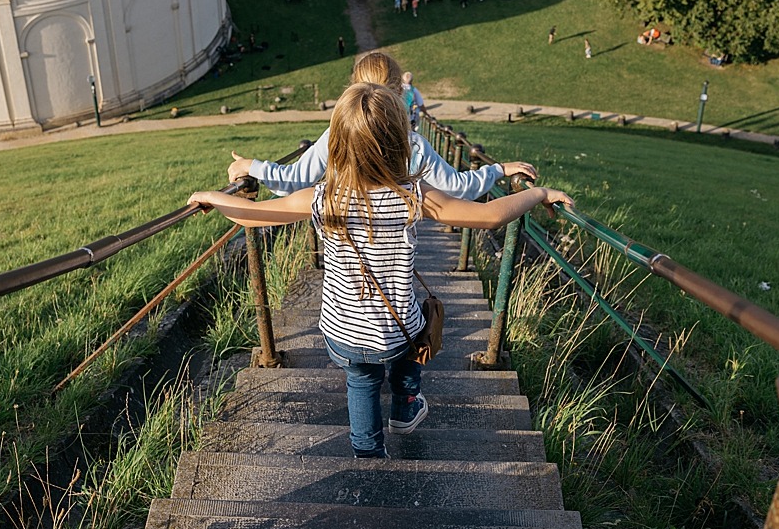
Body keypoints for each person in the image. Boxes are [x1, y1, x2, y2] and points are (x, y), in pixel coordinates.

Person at [190, 83, 574, 458]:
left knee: (361, 383)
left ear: (336, 144)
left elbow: (252, 218)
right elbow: (490, 217)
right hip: (396, 329)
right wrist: (538, 193)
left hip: (343, 330)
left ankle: (368, 453)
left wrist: (214, 198)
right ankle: (406, 405)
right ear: (401, 143)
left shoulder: (322, 198)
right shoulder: (413, 197)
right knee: (413, 341)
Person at [226, 51, 536, 199]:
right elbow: (457, 188)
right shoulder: (413, 144)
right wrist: (498, 170)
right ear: (401, 92)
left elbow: (291, 182)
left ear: (352, 88)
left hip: (344, 271)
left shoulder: (337, 135)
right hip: (396, 264)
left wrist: (252, 166)